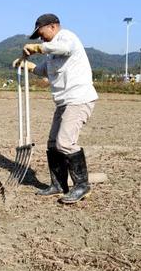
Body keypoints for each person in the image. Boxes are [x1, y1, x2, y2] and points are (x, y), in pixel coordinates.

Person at [12, 13, 98, 204]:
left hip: (78, 99)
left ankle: (82, 186)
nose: (40, 38)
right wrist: (27, 65)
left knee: (65, 142)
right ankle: (59, 185)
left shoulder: (66, 38)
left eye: (41, 33)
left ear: (52, 26)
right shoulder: (52, 52)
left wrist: (37, 48)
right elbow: (44, 70)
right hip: (63, 102)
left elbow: (64, 48)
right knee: (52, 143)